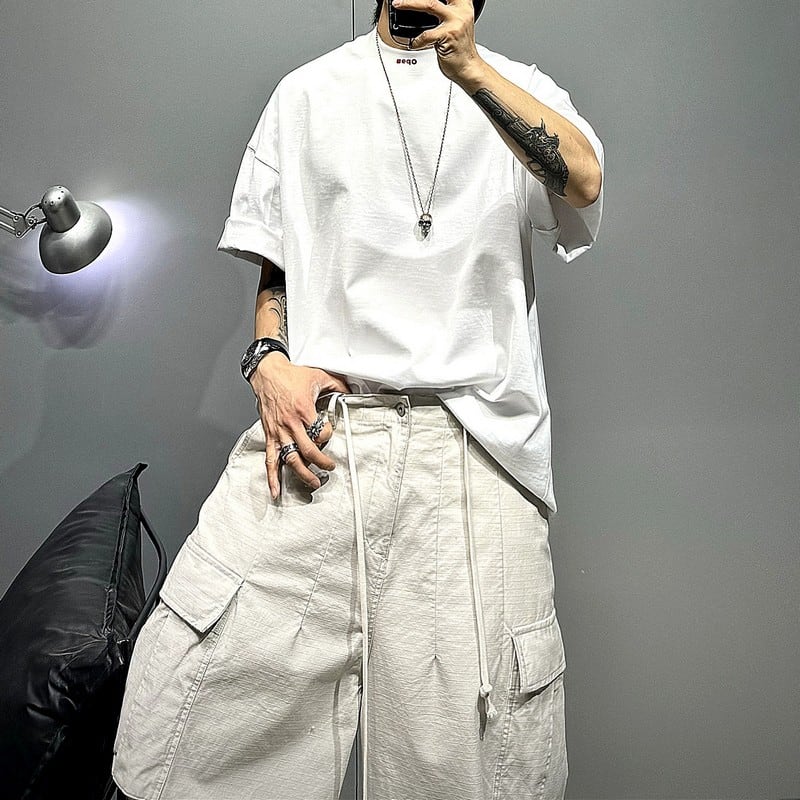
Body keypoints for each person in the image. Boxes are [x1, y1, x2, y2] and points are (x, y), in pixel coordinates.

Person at [111, 1, 604, 798]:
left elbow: (581, 181)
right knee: (192, 726)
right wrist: (268, 360)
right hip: (323, 441)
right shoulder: (306, 93)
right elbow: (277, 264)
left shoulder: (520, 87)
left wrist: (470, 69)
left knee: (479, 769)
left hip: (471, 454)